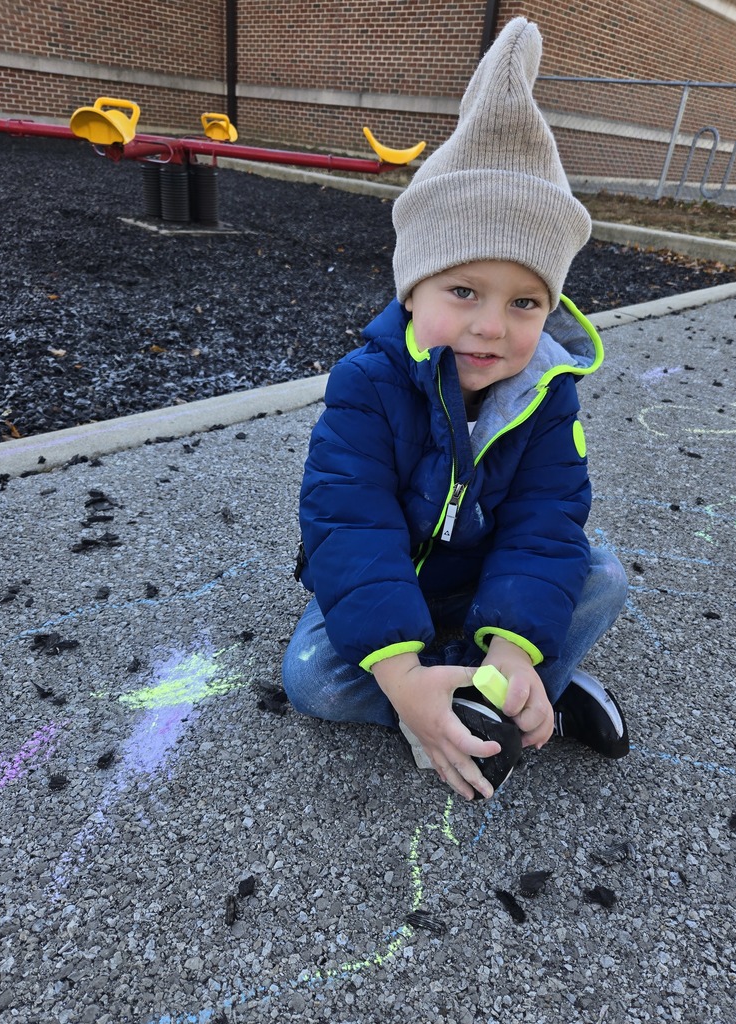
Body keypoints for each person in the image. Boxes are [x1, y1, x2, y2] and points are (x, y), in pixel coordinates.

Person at [282, 16, 629, 801]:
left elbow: (546, 520)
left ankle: (512, 688)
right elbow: (348, 521)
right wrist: (401, 674)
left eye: (525, 302)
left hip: (483, 588)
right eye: (463, 291)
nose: (491, 326)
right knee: (312, 679)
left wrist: (512, 651)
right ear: (414, 290)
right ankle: (458, 703)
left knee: (602, 575)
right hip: (394, 577)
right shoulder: (368, 383)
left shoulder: (546, 395)